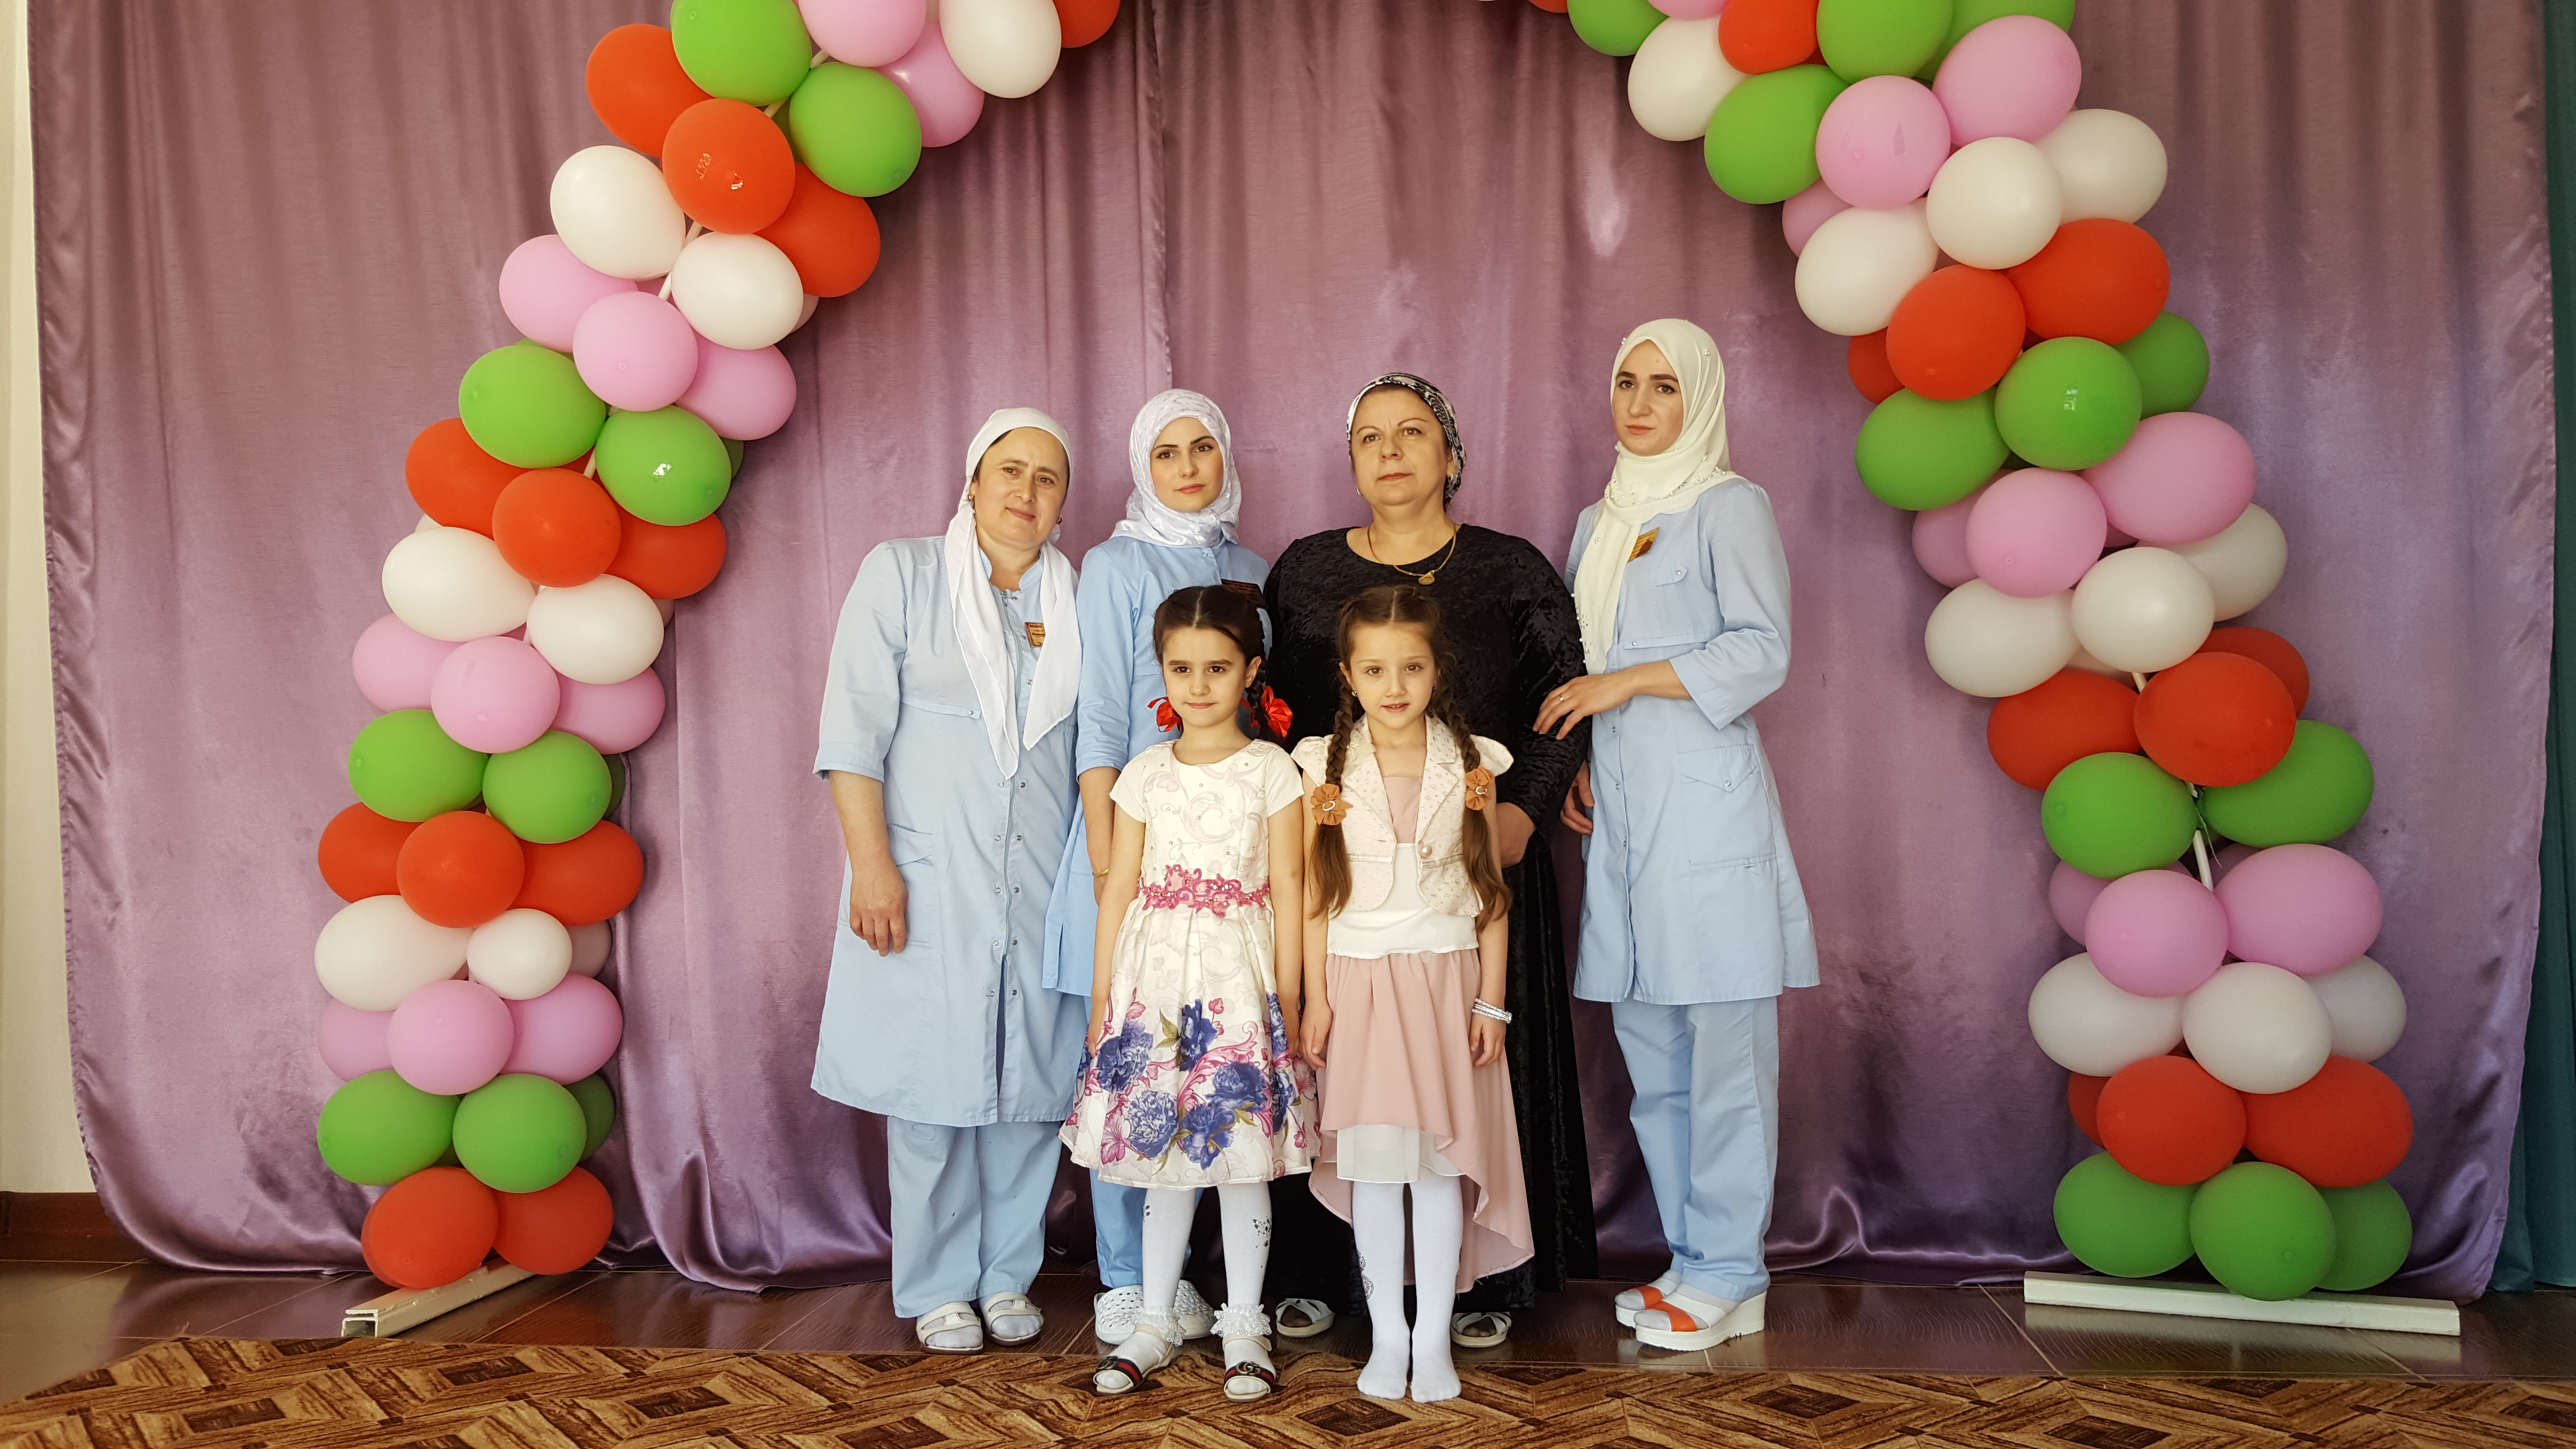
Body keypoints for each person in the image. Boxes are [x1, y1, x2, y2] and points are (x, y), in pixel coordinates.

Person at [1263, 374, 1591, 1348]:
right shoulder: (1305, 568)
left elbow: (1562, 693)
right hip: (1345, 873)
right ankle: (1325, 1277)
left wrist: (1524, 813)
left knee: (1468, 1084)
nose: (1391, 450)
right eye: (1370, 436)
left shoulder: (1510, 568)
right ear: (1352, 459)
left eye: (1412, 432)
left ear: (1451, 455)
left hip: (1471, 868)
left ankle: (1481, 1284)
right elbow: (1270, 707)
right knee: (1345, 1086)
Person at [1536, 320, 1819, 1351]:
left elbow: (1762, 649)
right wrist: (1581, 765)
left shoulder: (1727, 505)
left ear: (1698, 399)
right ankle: (1692, 1262)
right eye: (1627, 381)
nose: (1642, 403)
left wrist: (1625, 685)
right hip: (1621, 811)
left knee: (1726, 1052)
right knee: (1651, 1051)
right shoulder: (1597, 521)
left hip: (1705, 806)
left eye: (1665, 385)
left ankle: (1735, 1272)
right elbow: (1581, 661)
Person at [813, 408, 1090, 1354]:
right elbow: (852, 732)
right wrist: (872, 866)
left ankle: (1007, 1276)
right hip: (927, 876)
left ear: (1063, 502)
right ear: (973, 483)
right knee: (930, 1086)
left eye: (1047, 477)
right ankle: (936, 1285)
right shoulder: (903, 574)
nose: (1025, 491)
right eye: (1008, 470)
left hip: (1040, 882)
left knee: (1031, 1088)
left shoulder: (1076, 599)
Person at [1042, 390, 1268, 1346]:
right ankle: (1128, 1280)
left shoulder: (1253, 568)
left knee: (1212, 1064)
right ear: (1142, 467)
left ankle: (1192, 1281)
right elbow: (1101, 712)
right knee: (1131, 1064)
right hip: (1138, 844)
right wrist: (1108, 863)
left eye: (1201, 447)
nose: (1185, 467)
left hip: (1227, 857)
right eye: (1165, 452)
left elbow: (1263, 713)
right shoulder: (1117, 563)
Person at [1065, 584, 1316, 1401]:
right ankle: (1155, 1319)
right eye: (1182, 668)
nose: (1199, 685)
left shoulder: (1272, 771)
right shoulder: (1143, 774)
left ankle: (1245, 1324)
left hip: (1239, 984)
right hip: (1157, 986)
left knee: (1240, 1160)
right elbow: (1118, 891)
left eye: (1217, 667)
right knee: (1159, 1158)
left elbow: (1291, 885)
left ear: (1251, 671)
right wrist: (1104, 1001)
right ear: (1163, 672)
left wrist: (1287, 1001)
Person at [1296, 585, 1532, 1403]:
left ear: (1438, 671)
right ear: (1348, 675)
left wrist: (1491, 1001)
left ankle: (1432, 1339)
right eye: (1374, 670)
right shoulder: (1321, 765)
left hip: (1445, 986)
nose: (1393, 686)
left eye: (1412, 667)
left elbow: (1490, 894)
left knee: (1437, 1169)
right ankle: (1386, 1335)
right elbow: (1314, 896)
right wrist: (1316, 999)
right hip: (1357, 987)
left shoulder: (1473, 767)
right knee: (1374, 1170)